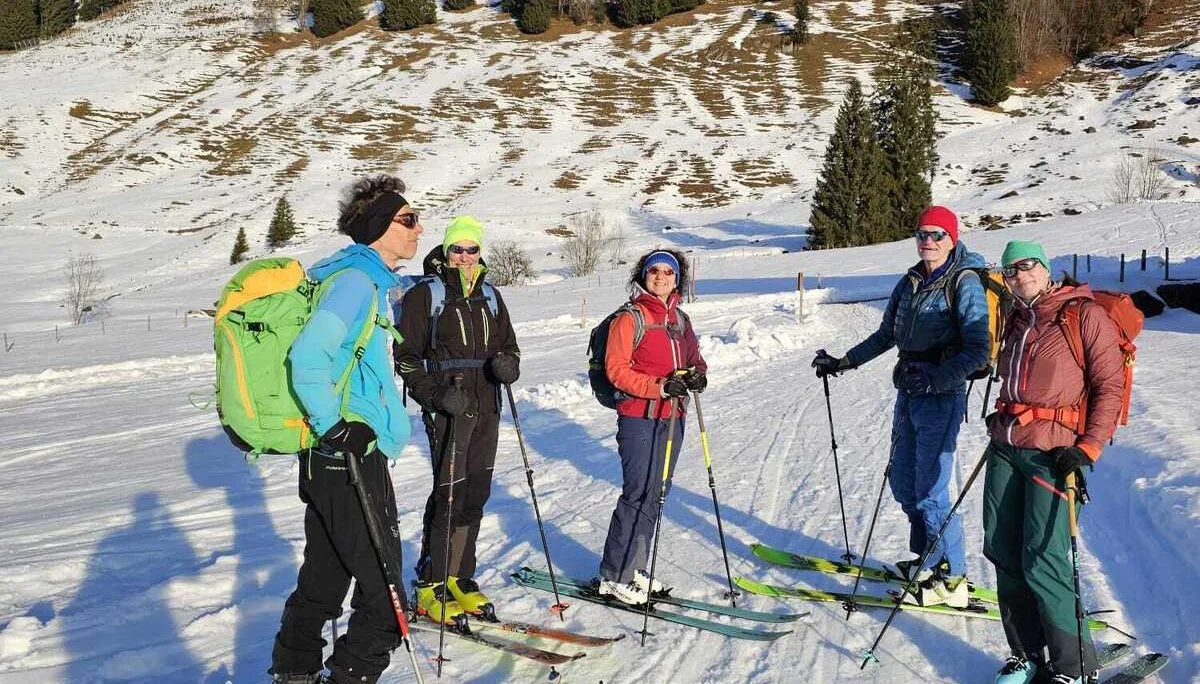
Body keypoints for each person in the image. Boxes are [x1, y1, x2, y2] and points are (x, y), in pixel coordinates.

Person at [269, 175, 423, 684]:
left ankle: (292, 674)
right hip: (347, 455)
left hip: (326, 457)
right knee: (386, 601)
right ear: (381, 227)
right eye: (408, 219)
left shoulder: (355, 278)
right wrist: (337, 428)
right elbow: (308, 355)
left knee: (324, 579)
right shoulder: (356, 283)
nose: (418, 228)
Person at [811, 205, 989, 608]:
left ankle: (955, 576)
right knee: (905, 485)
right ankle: (928, 558)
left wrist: (937, 377)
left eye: (937, 234)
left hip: (940, 397)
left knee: (931, 491)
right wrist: (843, 361)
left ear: (952, 239)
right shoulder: (910, 281)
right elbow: (885, 334)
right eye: (922, 233)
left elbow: (979, 349)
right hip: (909, 392)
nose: (928, 240)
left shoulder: (964, 283)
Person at [984, 241, 1124, 684]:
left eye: (1027, 265)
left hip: (1057, 455)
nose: (1019, 275)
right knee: (1002, 551)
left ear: (1046, 268)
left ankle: (1075, 667)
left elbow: (1109, 386)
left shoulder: (1083, 314)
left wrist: (1089, 447)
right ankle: (1025, 654)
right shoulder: (1018, 319)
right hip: (1006, 449)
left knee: (1043, 560)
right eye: (1010, 271)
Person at [393, 215, 520, 623]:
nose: (464, 257)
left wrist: (507, 365)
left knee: (476, 492)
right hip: (448, 406)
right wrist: (434, 394)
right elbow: (407, 359)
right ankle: (431, 582)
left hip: (487, 404)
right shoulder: (425, 296)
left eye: (472, 249)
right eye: (457, 249)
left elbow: (510, 346)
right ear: (446, 252)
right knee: (448, 493)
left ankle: (460, 578)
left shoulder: (492, 296)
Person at [595, 249, 707, 605]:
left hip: (673, 416)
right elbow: (617, 370)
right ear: (643, 275)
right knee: (638, 492)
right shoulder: (630, 318)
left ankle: (636, 568)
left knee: (657, 492)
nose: (660, 277)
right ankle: (614, 576)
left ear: (677, 278)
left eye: (668, 272)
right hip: (638, 416)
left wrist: (698, 375)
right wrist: (658, 387)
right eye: (653, 271)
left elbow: (694, 358)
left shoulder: (680, 320)